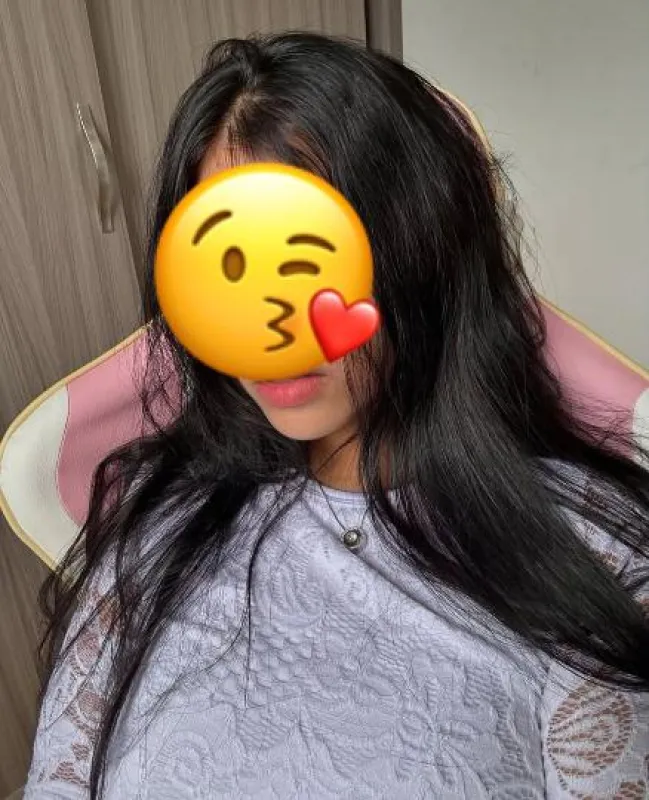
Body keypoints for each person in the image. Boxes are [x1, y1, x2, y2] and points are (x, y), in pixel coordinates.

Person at [24, 32, 648, 799]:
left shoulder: (593, 553)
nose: (271, 324)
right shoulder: (152, 527)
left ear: (422, 249)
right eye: (228, 268)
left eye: (307, 260)